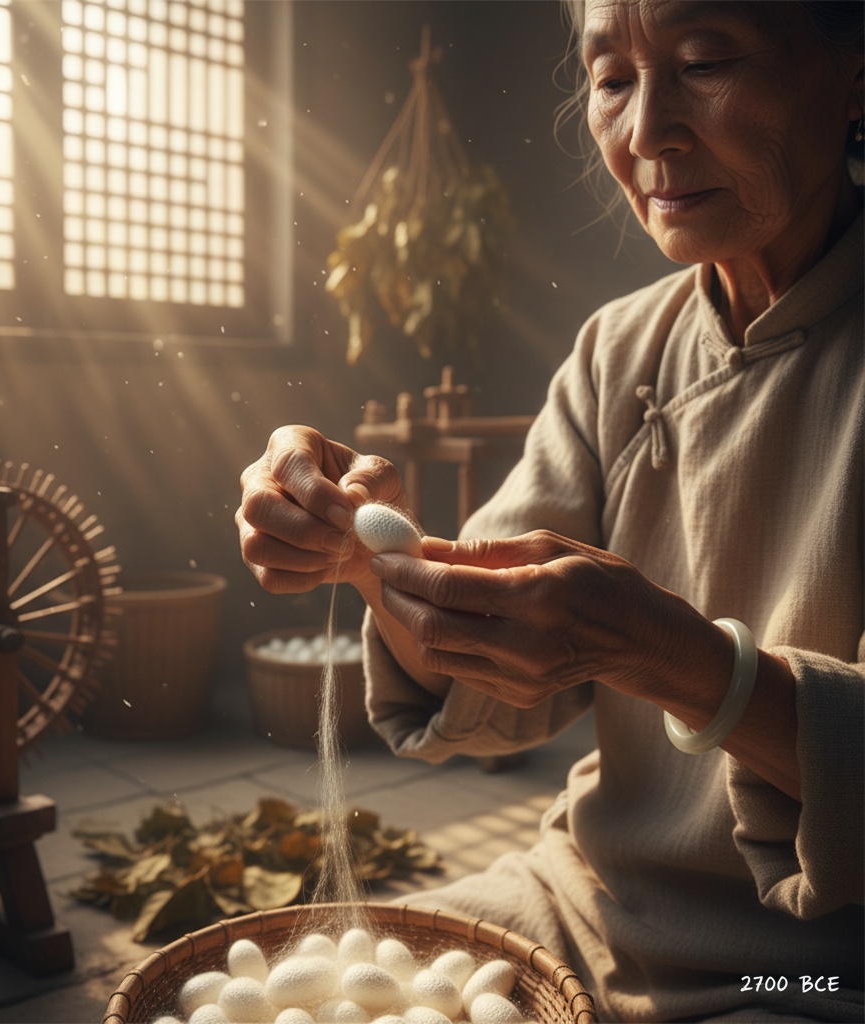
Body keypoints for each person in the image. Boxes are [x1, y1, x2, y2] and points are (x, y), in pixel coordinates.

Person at [236, 1, 863, 1020]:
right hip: (585, 897)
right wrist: (365, 556)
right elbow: (492, 675)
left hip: (812, 963)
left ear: (854, 76)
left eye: (704, 61)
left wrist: (688, 664)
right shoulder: (618, 351)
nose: (647, 129)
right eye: (611, 79)